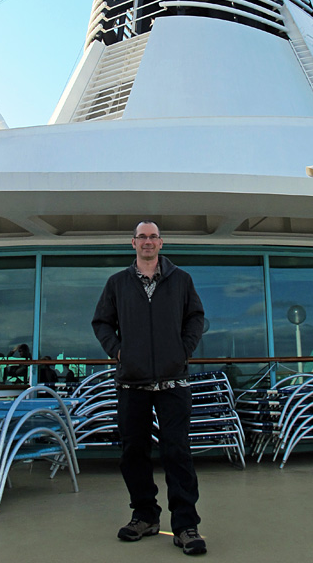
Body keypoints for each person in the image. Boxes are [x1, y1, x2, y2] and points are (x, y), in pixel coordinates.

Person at [92, 220, 207, 556]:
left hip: (173, 381)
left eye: (152, 237)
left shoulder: (181, 280)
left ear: (161, 242)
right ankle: (145, 516)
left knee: (177, 452)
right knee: (133, 453)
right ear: (133, 243)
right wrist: (118, 351)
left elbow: (195, 317)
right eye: (141, 237)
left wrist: (183, 350)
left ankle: (185, 525)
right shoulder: (117, 283)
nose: (147, 242)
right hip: (132, 382)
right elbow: (102, 322)